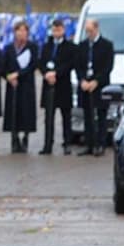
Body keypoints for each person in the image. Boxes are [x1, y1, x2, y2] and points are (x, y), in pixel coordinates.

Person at [75, 18, 115, 156]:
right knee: (87, 115)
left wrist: (96, 81)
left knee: (101, 115)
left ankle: (100, 144)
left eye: (91, 31)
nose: (89, 33)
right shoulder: (82, 46)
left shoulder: (107, 45)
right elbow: (78, 65)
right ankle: (89, 144)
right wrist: (82, 80)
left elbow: (108, 67)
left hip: (100, 86)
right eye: (87, 31)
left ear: (97, 29)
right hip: (86, 85)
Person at [38, 19, 76, 156]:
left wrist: (57, 73)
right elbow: (41, 62)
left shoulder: (70, 46)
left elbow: (70, 63)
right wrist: (46, 73)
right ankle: (47, 144)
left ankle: (67, 143)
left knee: (66, 116)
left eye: (59, 29)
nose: (56, 32)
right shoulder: (46, 46)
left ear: (63, 30)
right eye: (54, 30)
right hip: (48, 84)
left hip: (63, 84)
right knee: (49, 117)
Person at [2, 21, 39, 153]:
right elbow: (3, 65)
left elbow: (33, 65)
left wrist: (18, 74)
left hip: (26, 83)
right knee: (13, 111)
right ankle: (14, 136)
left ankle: (26, 137)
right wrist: (8, 76)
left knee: (26, 110)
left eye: (24, 31)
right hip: (12, 84)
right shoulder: (8, 48)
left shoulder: (32, 47)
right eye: (19, 31)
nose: (21, 33)